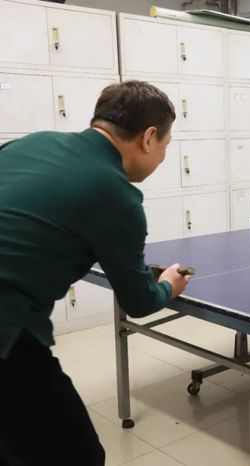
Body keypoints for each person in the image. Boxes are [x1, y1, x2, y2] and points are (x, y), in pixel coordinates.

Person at [0, 81, 190, 466]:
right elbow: (138, 303)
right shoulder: (117, 195)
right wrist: (167, 286)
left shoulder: (31, 143)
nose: (163, 156)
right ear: (149, 137)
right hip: (6, 332)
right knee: (79, 455)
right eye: (167, 144)